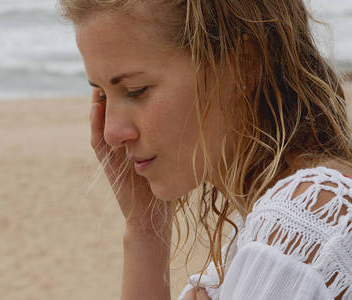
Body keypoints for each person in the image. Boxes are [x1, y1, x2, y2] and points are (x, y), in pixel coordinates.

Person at [58, 0, 352, 299]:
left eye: (136, 91)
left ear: (244, 65)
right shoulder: (254, 238)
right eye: (103, 96)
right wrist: (145, 228)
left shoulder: (304, 224)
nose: (111, 134)